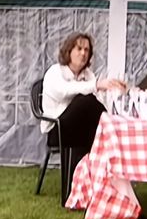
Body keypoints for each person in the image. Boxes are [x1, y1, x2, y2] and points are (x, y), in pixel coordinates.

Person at [41, 32, 126, 162]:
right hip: (57, 130)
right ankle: (114, 142)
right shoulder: (55, 72)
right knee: (86, 100)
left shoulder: (88, 75)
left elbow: (100, 103)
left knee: (95, 115)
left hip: (81, 130)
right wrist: (96, 85)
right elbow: (63, 91)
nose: (83, 53)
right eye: (79, 49)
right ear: (69, 51)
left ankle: (102, 165)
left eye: (86, 50)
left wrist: (114, 89)